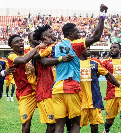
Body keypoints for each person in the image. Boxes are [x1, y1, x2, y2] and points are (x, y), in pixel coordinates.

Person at [33, 4, 108, 133]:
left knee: (59, 125)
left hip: (57, 89)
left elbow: (39, 58)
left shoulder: (54, 46)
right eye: (77, 32)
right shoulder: (76, 45)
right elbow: (96, 36)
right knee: (75, 124)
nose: (79, 34)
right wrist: (102, 15)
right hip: (71, 86)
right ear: (71, 33)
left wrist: (59, 59)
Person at [32, 25, 74, 133]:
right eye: (51, 32)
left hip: (58, 90)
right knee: (52, 125)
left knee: (63, 122)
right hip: (45, 92)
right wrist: (61, 59)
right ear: (45, 37)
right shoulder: (40, 50)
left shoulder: (57, 47)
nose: (54, 33)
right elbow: (45, 62)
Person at [79, 47, 121, 133]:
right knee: (76, 126)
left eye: (89, 48)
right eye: (86, 48)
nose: (89, 50)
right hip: (79, 101)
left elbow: (108, 75)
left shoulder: (95, 62)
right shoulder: (73, 62)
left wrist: (120, 87)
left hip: (94, 100)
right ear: (79, 49)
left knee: (94, 126)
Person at [7, 34, 47, 133]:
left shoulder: (29, 51)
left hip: (40, 90)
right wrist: (38, 47)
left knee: (51, 120)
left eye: (21, 40)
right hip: (25, 94)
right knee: (26, 123)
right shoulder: (12, 56)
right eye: (16, 42)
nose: (20, 42)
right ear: (12, 47)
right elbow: (24, 60)